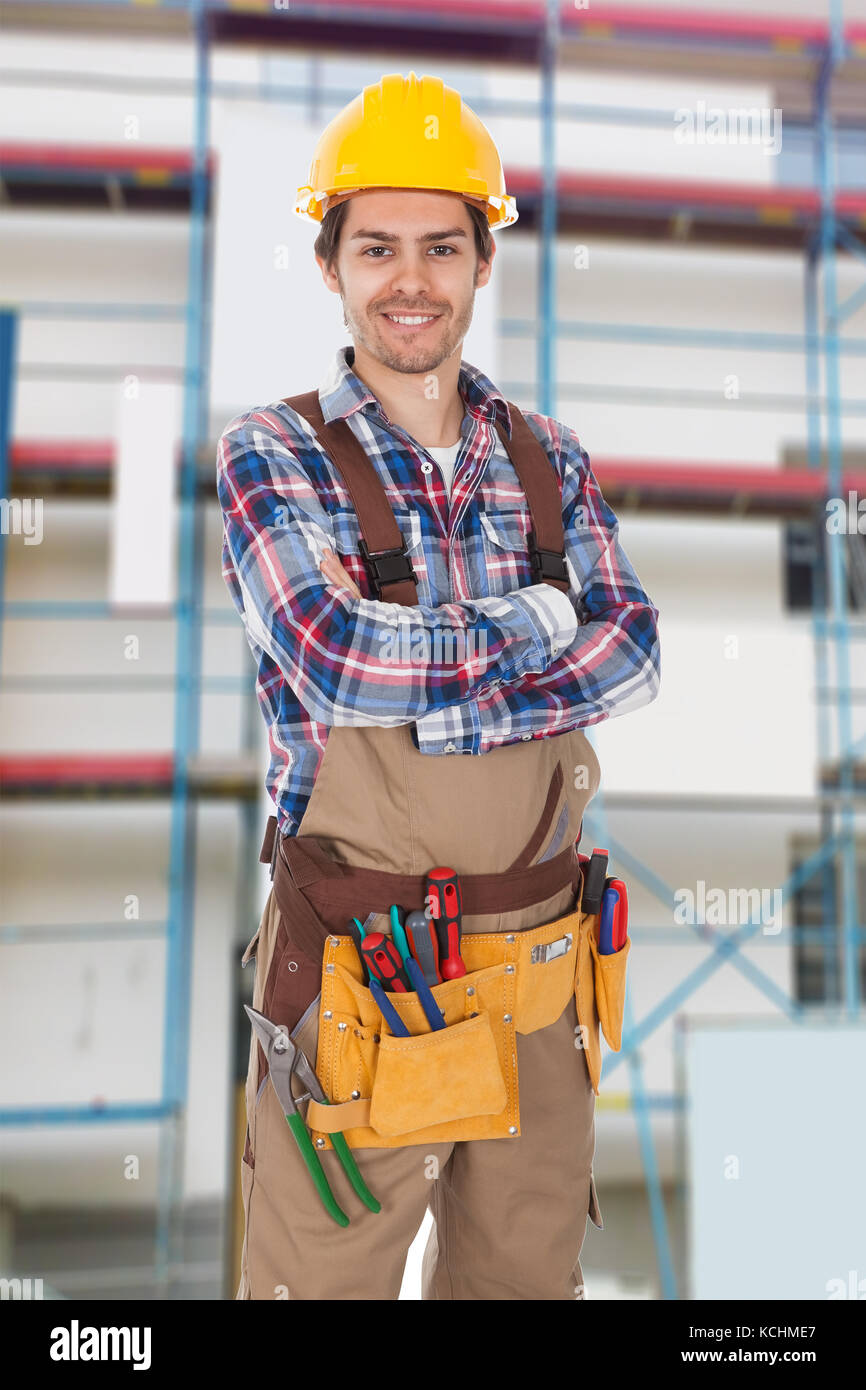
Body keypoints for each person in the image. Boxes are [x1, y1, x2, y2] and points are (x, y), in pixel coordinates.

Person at [218, 71, 661, 1301]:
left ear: (478, 261)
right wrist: (534, 621)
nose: (407, 278)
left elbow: (630, 649)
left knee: (522, 1285)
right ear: (332, 265)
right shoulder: (273, 450)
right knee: (323, 1281)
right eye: (375, 248)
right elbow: (334, 656)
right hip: (359, 976)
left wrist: (439, 691)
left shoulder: (547, 457)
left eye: (438, 246)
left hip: (540, 974)